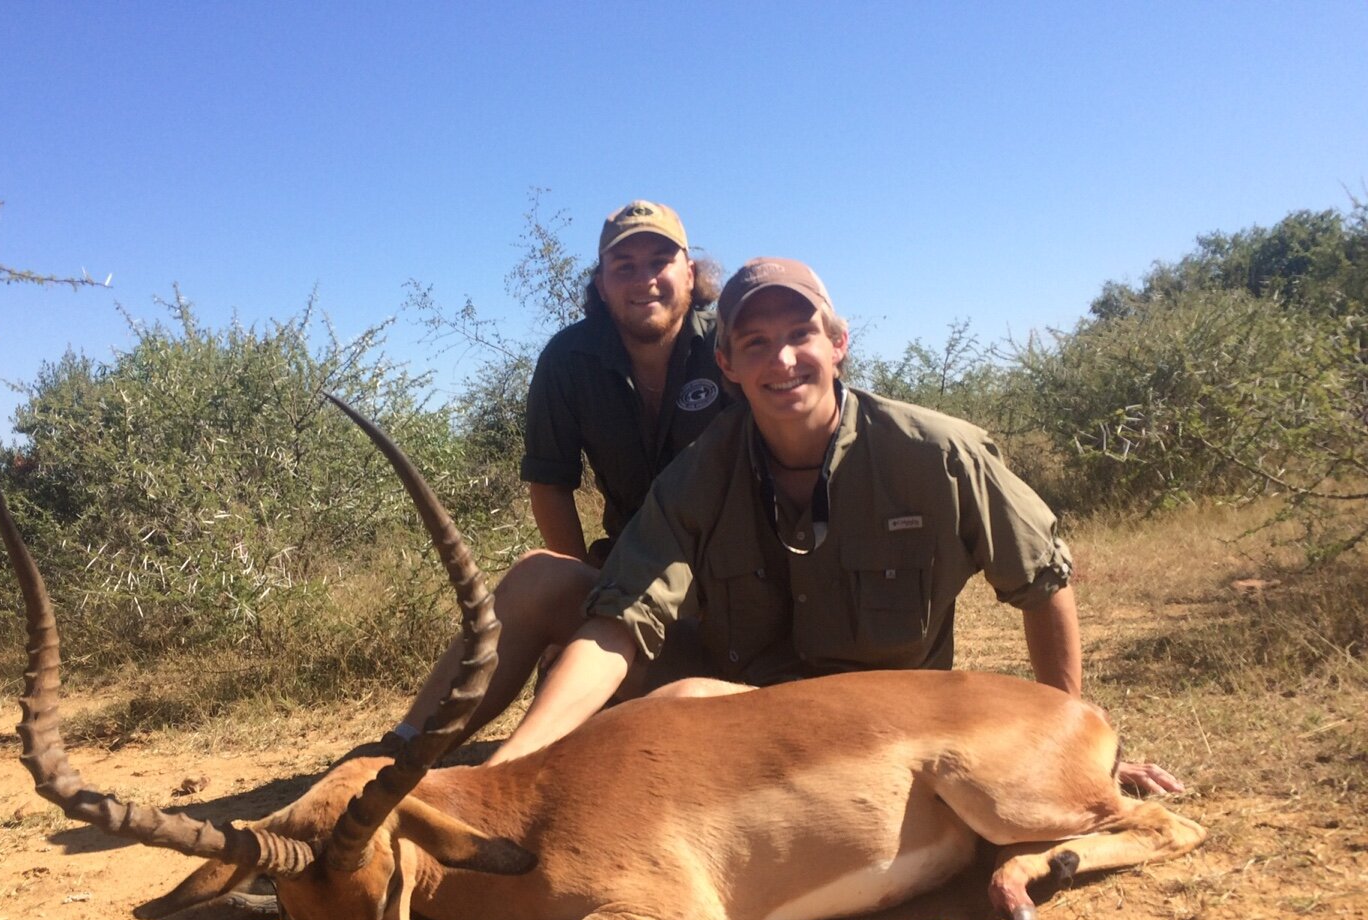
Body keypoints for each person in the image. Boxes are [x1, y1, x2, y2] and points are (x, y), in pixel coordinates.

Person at [488, 257, 1181, 796]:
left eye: (800, 336)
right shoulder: (700, 473)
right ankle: (443, 758)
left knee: (684, 707)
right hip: (761, 713)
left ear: (839, 342)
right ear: (726, 365)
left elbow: (1044, 582)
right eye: (755, 343)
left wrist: (1072, 744)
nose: (782, 360)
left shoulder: (938, 454)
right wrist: (510, 764)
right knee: (653, 704)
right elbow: (620, 623)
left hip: (885, 728)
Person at [395, 200, 731, 745]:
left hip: (736, 609)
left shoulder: (737, 345)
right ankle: (400, 753)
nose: (643, 279)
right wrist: (587, 607)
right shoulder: (567, 359)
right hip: (633, 593)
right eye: (624, 266)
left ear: (690, 275)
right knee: (538, 576)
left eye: (659, 262)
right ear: (600, 284)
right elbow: (550, 484)